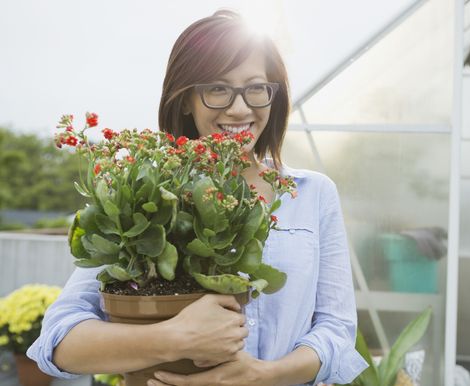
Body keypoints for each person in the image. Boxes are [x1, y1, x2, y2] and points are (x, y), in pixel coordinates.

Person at [27, 9, 367, 386]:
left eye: (256, 87)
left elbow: (336, 332)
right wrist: (175, 337)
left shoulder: (313, 193)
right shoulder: (153, 194)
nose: (240, 108)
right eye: (217, 88)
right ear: (186, 99)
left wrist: (262, 376)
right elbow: (58, 343)